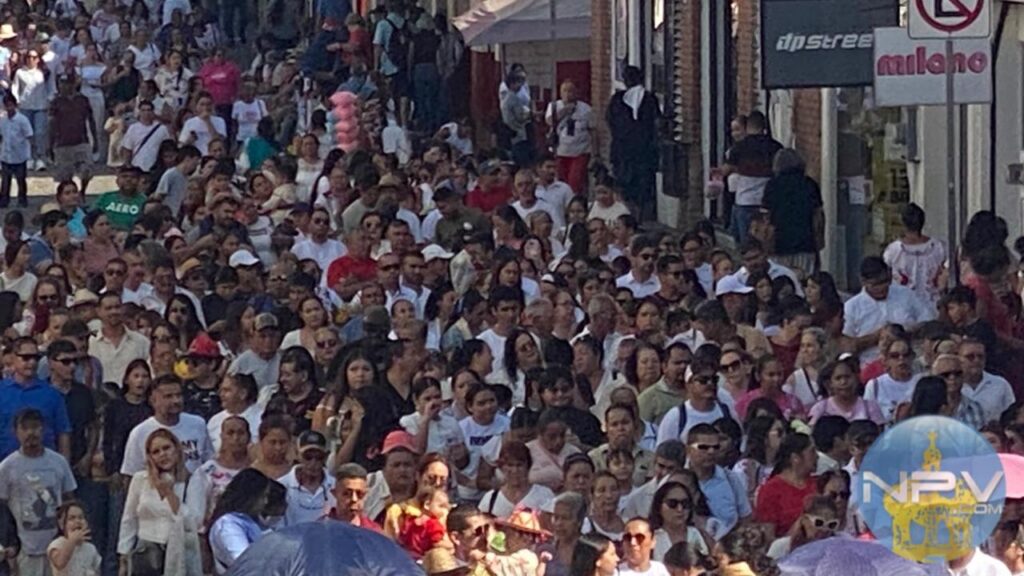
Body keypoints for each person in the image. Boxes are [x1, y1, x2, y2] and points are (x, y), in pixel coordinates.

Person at [0, 409, 77, 576]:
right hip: (24, 550)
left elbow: (69, 500)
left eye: (35, 427)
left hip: (57, 547)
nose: (30, 433)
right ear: (16, 432)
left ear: (43, 429)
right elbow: (2, 510)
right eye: (25, 428)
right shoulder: (7, 467)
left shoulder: (58, 462)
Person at [117, 429, 203, 576]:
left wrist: (168, 493)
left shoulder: (192, 479)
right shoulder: (140, 479)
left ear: (176, 449)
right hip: (145, 551)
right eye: (156, 452)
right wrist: (123, 554)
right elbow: (129, 518)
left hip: (178, 551)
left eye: (166, 448)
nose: (163, 454)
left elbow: (193, 521)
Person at [120, 375, 212, 476]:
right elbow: (131, 474)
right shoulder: (140, 433)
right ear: (153, 400)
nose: (176, 401)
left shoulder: (198, 424)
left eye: (178, 395)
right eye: (168, 396)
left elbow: (209, 462)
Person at [0, 338, 72, 460]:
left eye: (36, 357)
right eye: (26, 358)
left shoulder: (52, 394)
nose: (32, 362)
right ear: (13, 358)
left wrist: (64, 467)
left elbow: (63, 433)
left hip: (45, 467)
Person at [207, 469, 287, 574]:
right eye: (263, 496)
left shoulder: (254, 522)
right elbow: (243, 561)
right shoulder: (228, 524)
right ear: (250, 496)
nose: (265, 501)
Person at [607, 66, 659, 223]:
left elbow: (610, 121)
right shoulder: (649, 99)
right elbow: (655, 123)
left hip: (625, 152)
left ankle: (632, 216)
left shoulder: (617, 100)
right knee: (642, 186)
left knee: (628, 185)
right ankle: (638, 216)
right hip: (643, 152)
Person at [761, 148, 822, 276]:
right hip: (805, 242)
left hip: (779, 243)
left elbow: (766, 217)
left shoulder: (772, 185)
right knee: (805, 278)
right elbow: (817, 217)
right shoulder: (809, 184)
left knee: (779, 279)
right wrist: (819, 240)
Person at [723, 111, 782, 243]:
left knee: (745, 244)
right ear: (764, 127)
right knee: (766, 242)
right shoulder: (775, 147)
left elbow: (725, 171)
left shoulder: (739, 148)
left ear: (748, 127)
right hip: (767, 202)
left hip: (745, 201)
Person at [280, 430, 335, 526]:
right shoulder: (282, 486)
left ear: (326, 457)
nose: (313, 463)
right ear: (297, 454)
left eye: (319, 457)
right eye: (308, 457)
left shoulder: (335, 486)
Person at [48, 501, 102, 576]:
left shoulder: (91, 548)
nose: (77, 521)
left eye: (81, 517)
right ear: (61, 524)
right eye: (71, 518)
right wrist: (72, 542)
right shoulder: (57, 544)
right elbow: (59, 563)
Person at [0, 93, 33, 207]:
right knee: (5, 181)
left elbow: (29, 135)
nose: (9, 108)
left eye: (11, 105)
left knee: (21, 180)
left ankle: (22, 200)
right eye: (7, 106)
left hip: (19, 156)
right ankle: (4, 200)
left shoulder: (22, 120)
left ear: (15, 105)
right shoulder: (3, 120)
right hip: (6, 155)